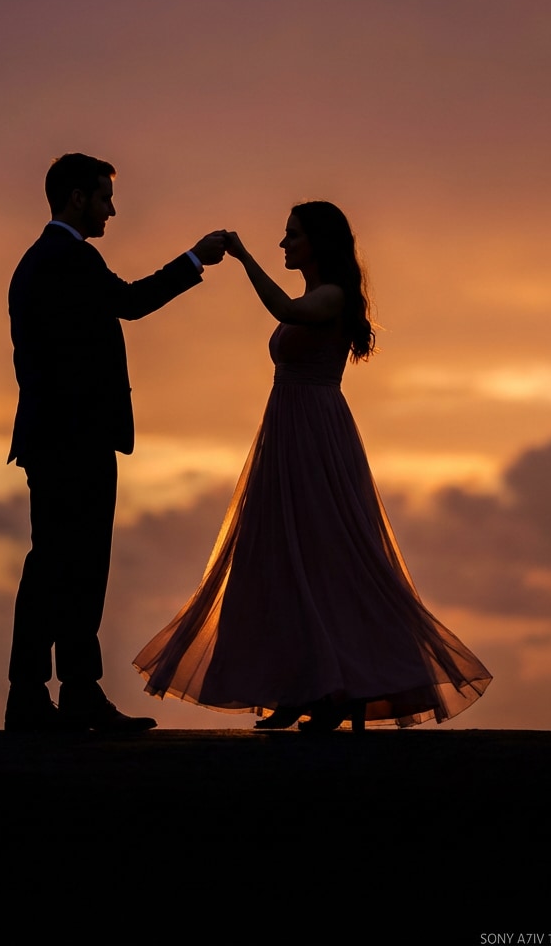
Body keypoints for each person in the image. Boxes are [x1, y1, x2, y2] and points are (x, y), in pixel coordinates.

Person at [134, 202, 491, 730]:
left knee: (327, 554)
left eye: (292, 236)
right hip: (286, 431)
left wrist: (242, 256)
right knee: (279, 554)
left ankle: (336, 690)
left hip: (317, 434)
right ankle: (298, 685)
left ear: (318, 243)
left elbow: (287, 313)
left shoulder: (332, 297)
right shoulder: (314, 295)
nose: (283, 245)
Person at [5, 152, 226, 733]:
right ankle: (56, 694)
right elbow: (130, 302)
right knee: (69, 567)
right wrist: (195, 259)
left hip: (55, 439)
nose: (112, 209)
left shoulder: (37, 262)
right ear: (77, 198)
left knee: (57, 564)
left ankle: (53, 694)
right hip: (73, 441)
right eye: (104, 197)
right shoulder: (69, 260)